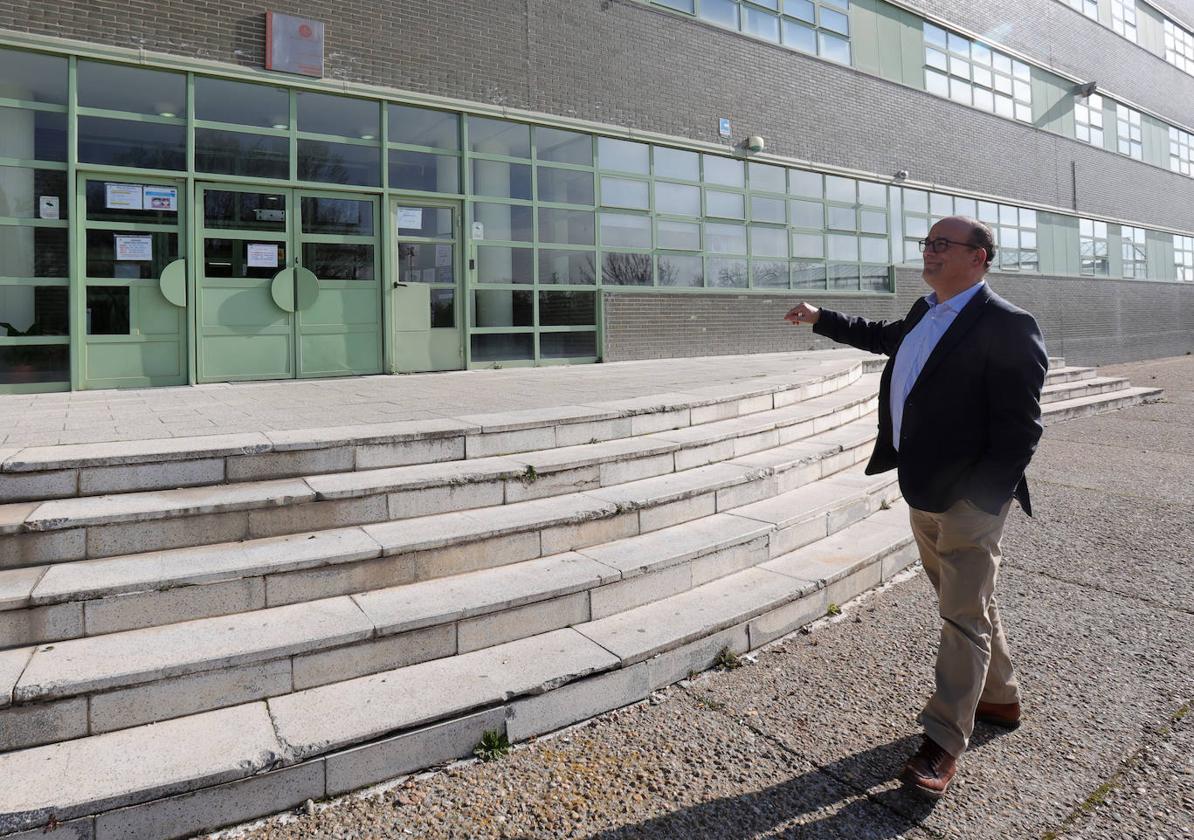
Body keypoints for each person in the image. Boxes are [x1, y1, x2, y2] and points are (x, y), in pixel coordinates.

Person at [784, 215, 1048, 799]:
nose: (928, 252)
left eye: (942, 245)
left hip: (966, 503)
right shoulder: (925, 311)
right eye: (927, 243)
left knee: (960, 616)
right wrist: (822, 319)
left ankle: (943, 742)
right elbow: (884, 338)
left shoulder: (1007, 324)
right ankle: (1000, 699)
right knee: (966, 604)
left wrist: (981, 501)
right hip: (922, 489)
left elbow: (1021, 428)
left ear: (978, 257)